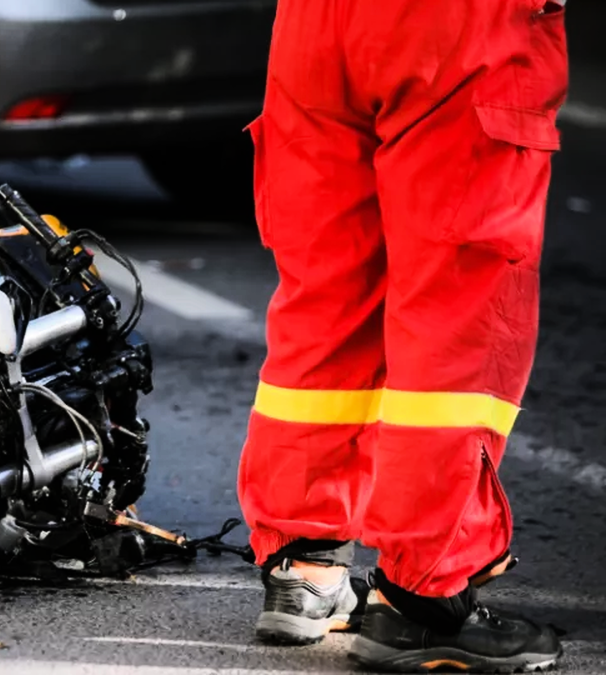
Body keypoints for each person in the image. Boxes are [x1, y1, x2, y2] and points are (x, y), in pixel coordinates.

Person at [235, 0, 569, 671]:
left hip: (319, 22)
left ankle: (306, 567)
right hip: (459, 26)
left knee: (328, 291)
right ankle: (423, 598)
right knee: (457, 309)